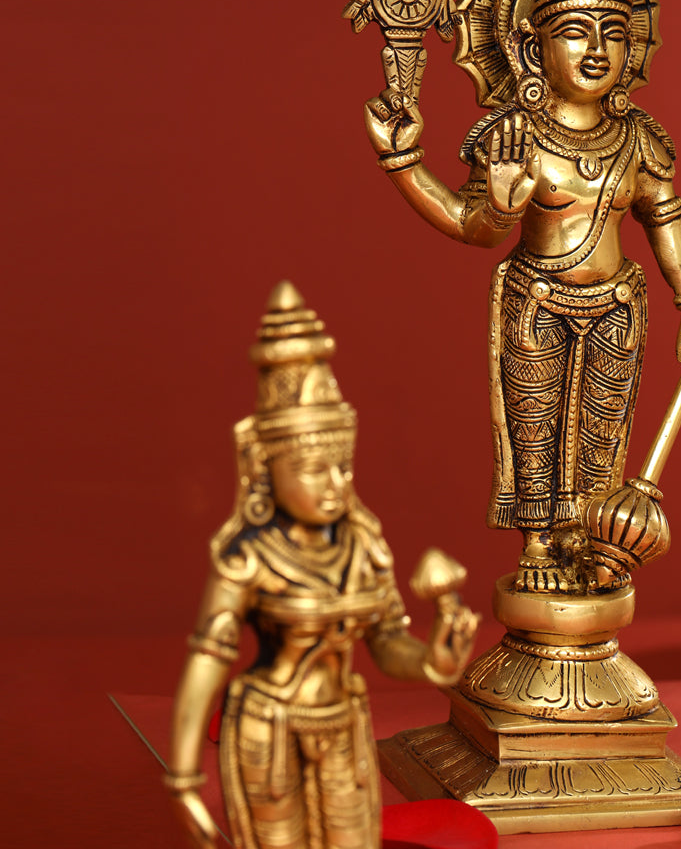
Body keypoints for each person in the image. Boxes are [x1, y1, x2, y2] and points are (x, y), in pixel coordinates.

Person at [363, 0, 681, 593]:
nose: (597, 50)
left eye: (614, 34)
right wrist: (407, 164)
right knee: (535, 431)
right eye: (574, 32)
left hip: (617, 305)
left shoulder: (637, 138)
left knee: (601, 436)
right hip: (535, 301)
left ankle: (587, 546)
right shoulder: (516, 135)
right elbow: (472, 225)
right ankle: (537, 548)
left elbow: (675, 221)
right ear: (532, 51)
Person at [164, 281, 478, 849]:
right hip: (268, 728)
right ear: (265, 466)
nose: (335, 483)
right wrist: (183, 777)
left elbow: (386, 642)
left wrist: (433, 660)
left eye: (343, 465)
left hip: (343, 723)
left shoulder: (361, 543)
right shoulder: (249, 557)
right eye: (314, 468)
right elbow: (209, 658)